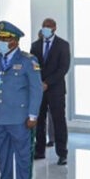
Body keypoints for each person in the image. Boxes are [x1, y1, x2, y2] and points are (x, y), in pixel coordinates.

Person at [0, 21, 42, 179]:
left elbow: (36, 89)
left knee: (23, 155)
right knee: (2, 153)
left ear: (14, 41)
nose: (0, 42)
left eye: (4, 39)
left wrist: (33, 115)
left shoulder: (28, 61)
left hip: (19, 117)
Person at [30, 18, 71, 165]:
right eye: (43, 26)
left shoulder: (63, 45)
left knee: (59, 121)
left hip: (56, 89)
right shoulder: (35, 45)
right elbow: (33, 65)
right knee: (39, 120)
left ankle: (62, 153)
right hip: (39, 88)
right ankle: (39, 150)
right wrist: (38, 82)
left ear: (54, 28)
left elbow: (64, 67)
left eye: (48, 26)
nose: (45, 28)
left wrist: (47, 82)